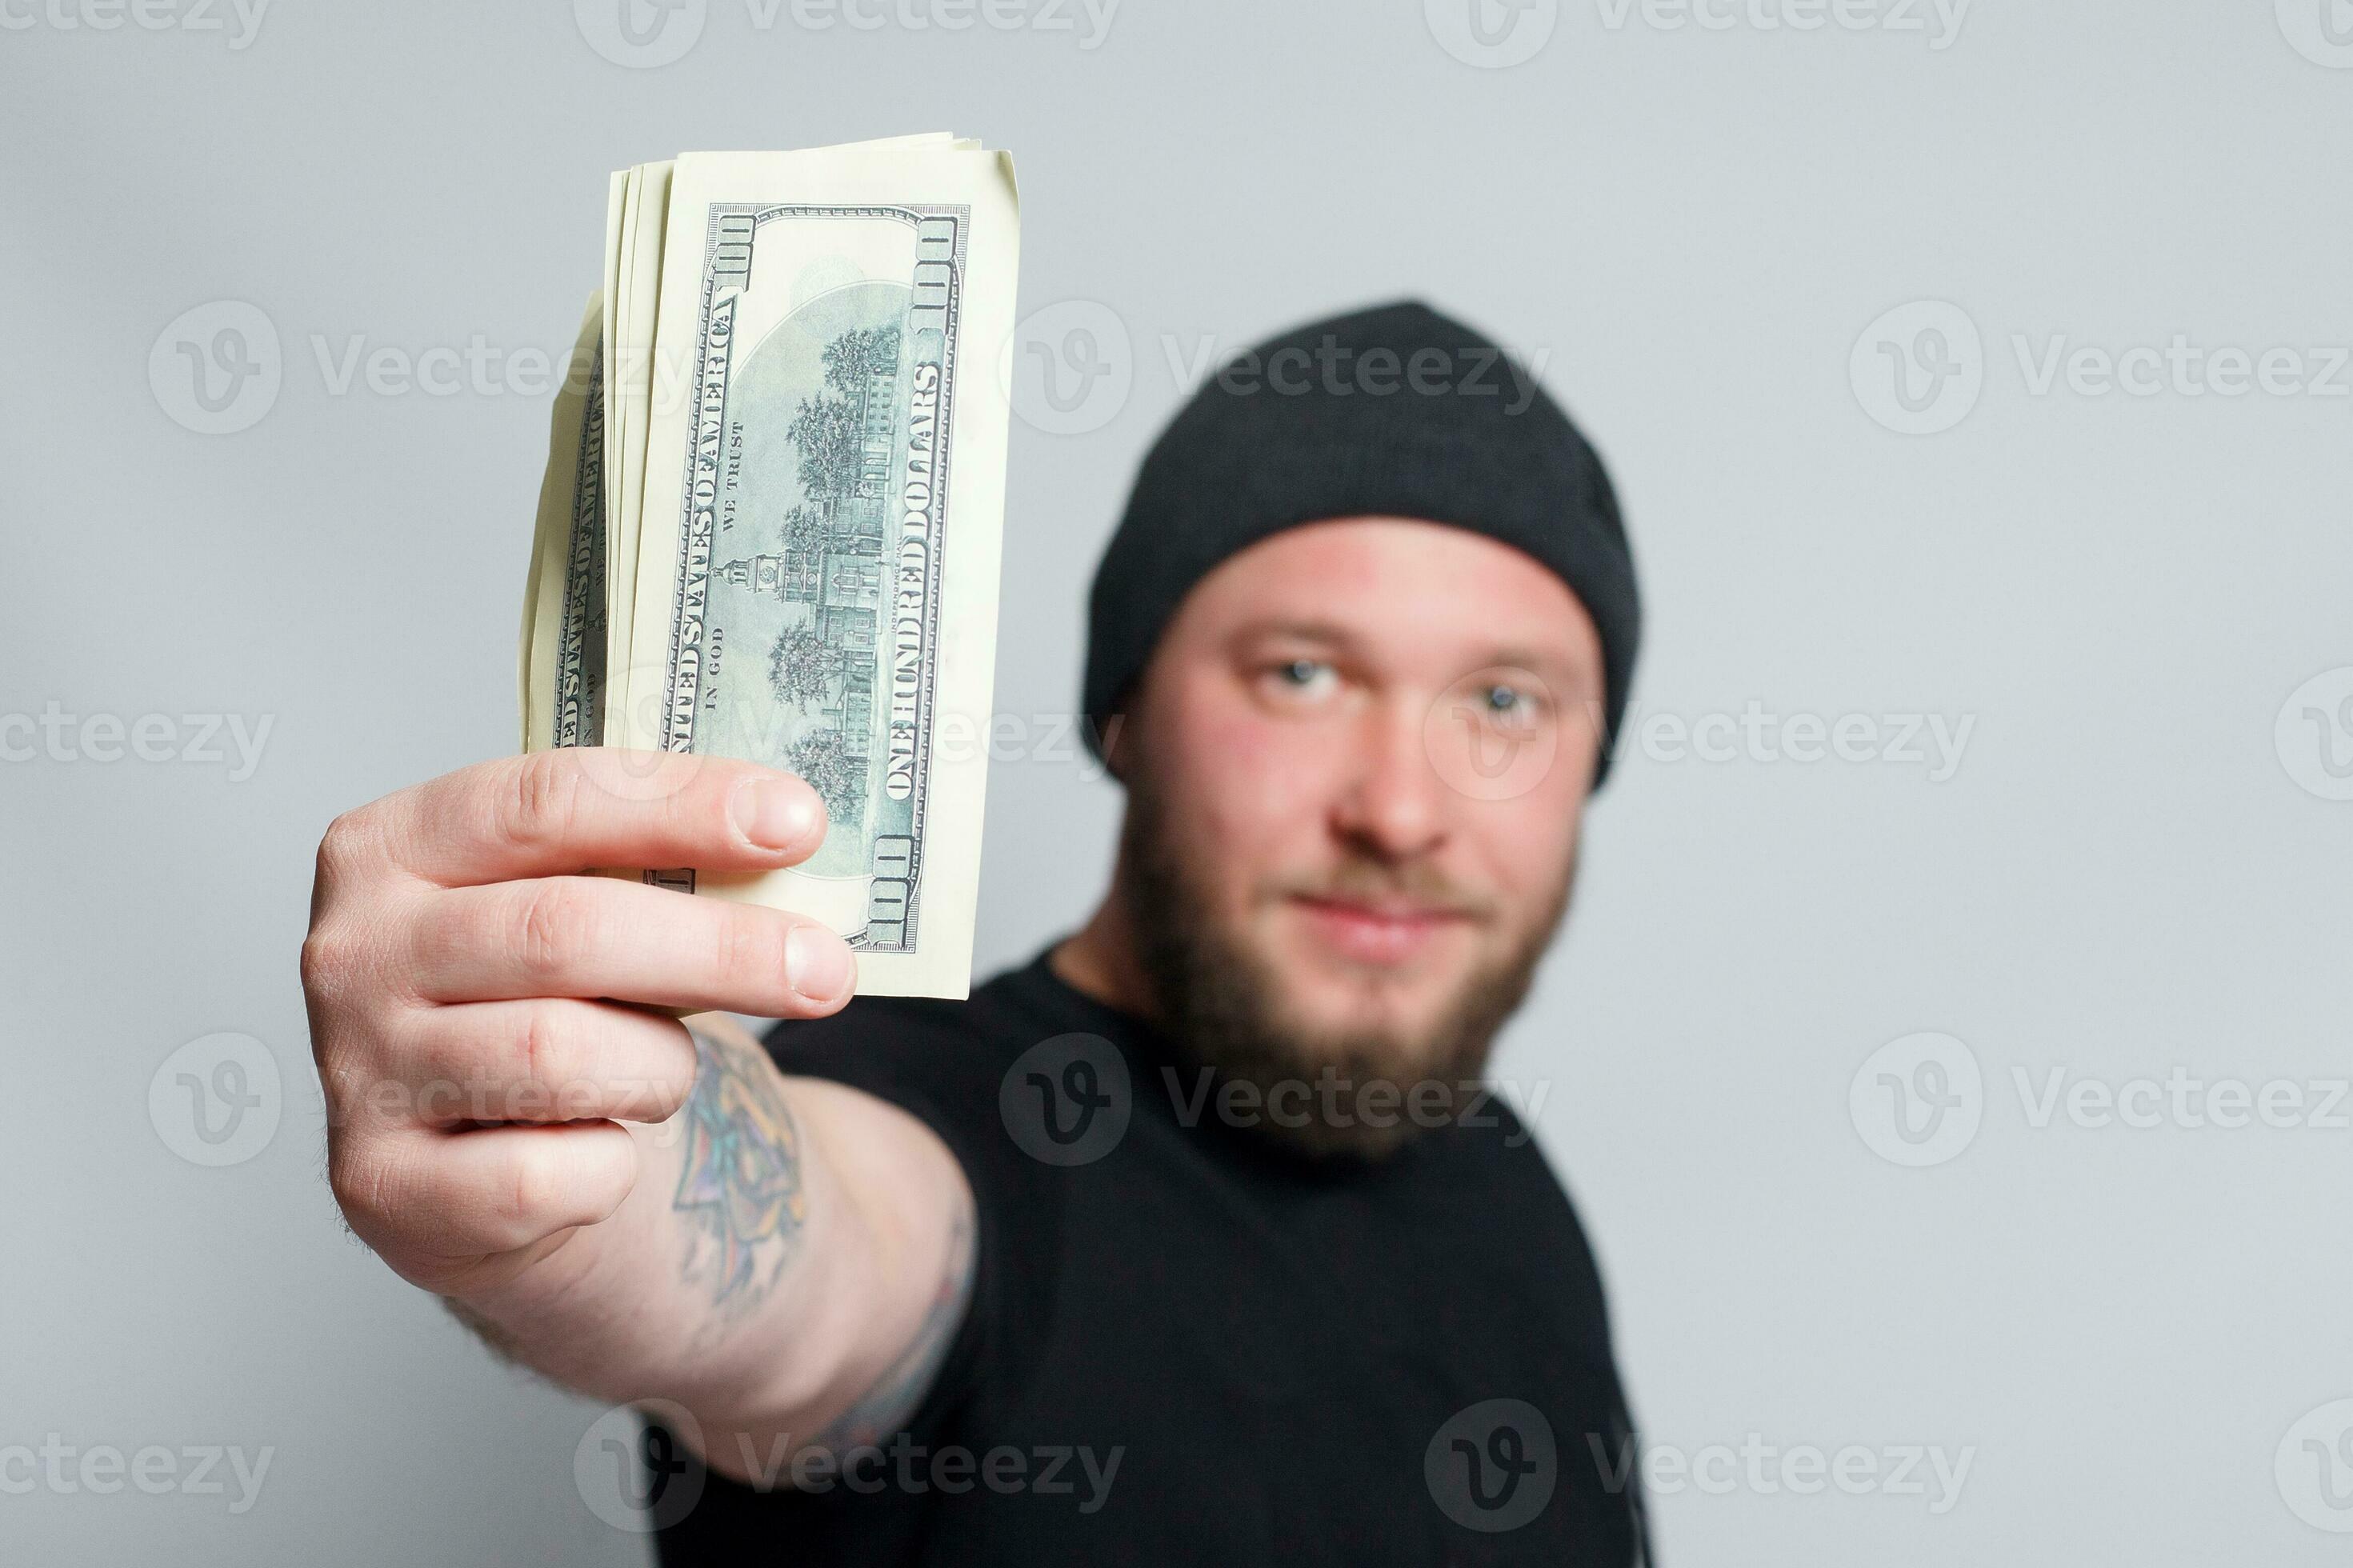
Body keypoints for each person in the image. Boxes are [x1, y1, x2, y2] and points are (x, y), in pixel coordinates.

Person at [300, 301, 1650, 1563]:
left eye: (1505, 701)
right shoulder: (934, 1114)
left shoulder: (1507, 1186)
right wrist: (580, 1171)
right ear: (1124, 714)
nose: (1401, 812)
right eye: (1301, 674)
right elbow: (812, 1279)